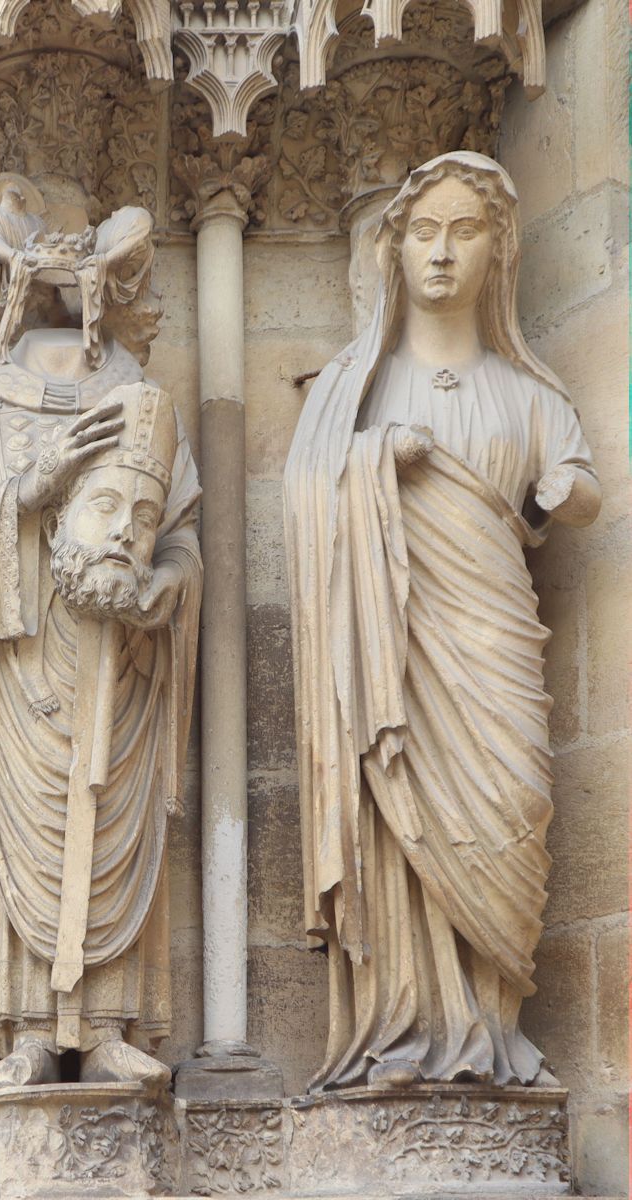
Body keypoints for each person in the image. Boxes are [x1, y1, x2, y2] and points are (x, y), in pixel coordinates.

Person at [283, 151, 600, 1091]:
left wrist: (563, 493)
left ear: (497, 250)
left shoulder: (531, 394)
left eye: (465, 232)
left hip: (492, 641)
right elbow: (304, 497)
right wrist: (375, 454)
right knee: (400, 811)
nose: (441, 253)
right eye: (424, 231)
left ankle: (490, 1031)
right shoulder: (354, 390)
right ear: (393, 249)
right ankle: (406, 1027)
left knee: (512, 803)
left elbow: (578, 485)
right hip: (391, 650)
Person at [0, 187, 201, 1088]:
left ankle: (110, 1020)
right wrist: (30, 490)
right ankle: (24, 1030)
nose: (53, 296)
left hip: (119, 662)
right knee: (21, 824)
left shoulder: (142, 404)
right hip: (14, 657)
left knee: (110, 807)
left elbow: (183, 535)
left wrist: (163, 583)